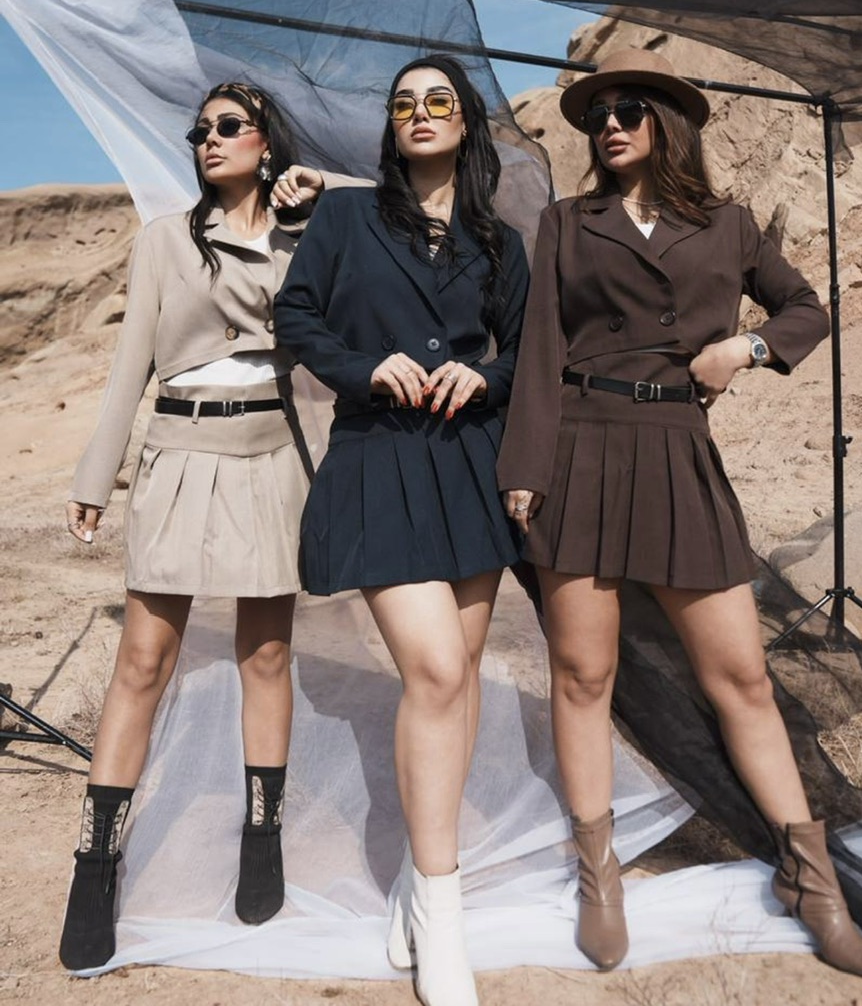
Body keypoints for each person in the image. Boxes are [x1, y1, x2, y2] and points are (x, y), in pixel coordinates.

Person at [496, 47, 862, 980]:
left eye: (627, 109)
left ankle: (812, 882)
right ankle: (598, 878)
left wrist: (744, 350)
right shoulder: (566, 222)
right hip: (581, 451)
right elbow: (541, 346)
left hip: (679, 452)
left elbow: (805, 307)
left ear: (666, 121)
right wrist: (526, 468)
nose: (609, 125)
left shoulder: (728, 223)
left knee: (742, 678)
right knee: (582, 676)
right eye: (597, 114)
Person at [59, 81, 335, 971]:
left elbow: (339, 285)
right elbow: (129, 363)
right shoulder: (163, 239)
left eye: (228, 126)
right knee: (143, 659)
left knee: (267, 655)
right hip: (178, 452)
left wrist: (303, 208)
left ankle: (262, 838)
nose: (208, 139)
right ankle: (95, 864)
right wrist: (97, 474)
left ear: (267, 142)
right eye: (199, 130)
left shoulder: (306, 232)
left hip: (273, 453)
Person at [274, 55, 529, 1006]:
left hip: (467, 463)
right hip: (378, 456)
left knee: (457, 685)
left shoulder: (499, 241)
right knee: (437, 672)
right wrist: (361, 367)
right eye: (403, 104)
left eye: (438, 102)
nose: (419, 114)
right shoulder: (343, 217)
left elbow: (527, 351)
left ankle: (418, 890)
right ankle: (444, 918)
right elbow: (295, 315)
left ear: (463, 124)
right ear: (391, 126)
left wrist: (484, 377)